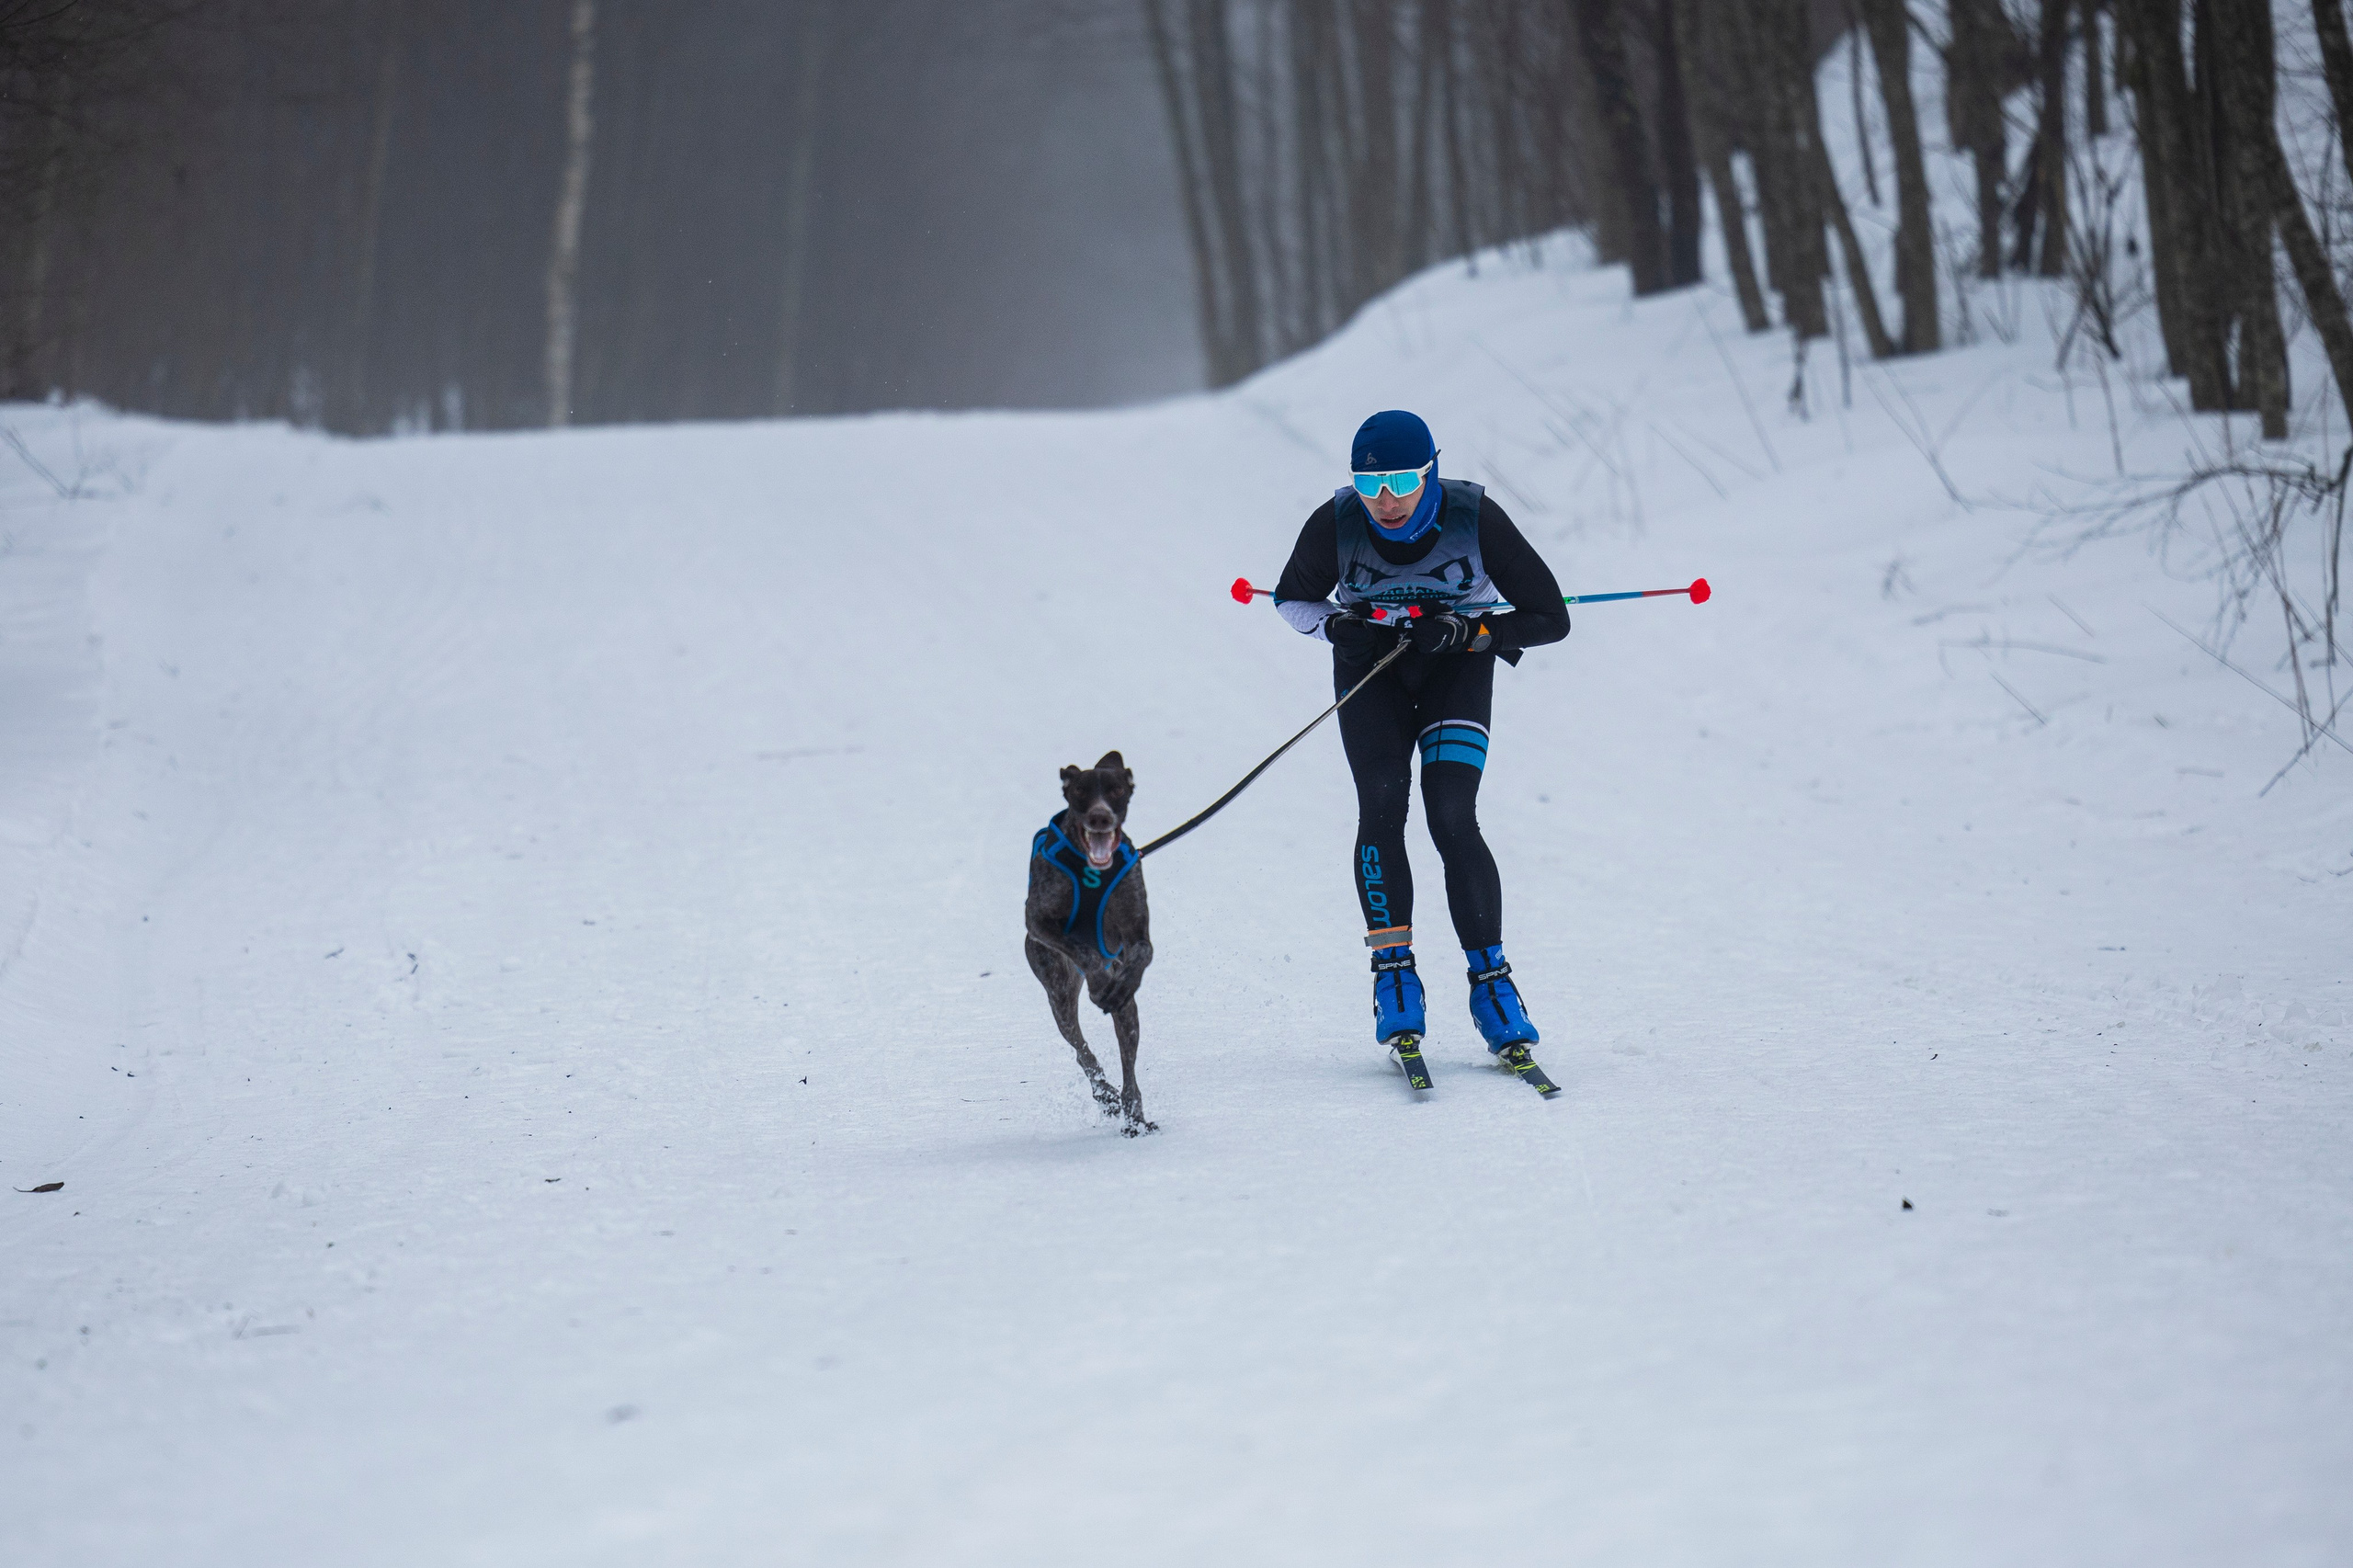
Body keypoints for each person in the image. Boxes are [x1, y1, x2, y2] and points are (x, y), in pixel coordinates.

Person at [1271, 409, 1569, 1068]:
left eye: (1403, 480)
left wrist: (1471, 633)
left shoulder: (1475, 517)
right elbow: (1292, 600)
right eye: (1370, 483)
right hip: (1369, 668)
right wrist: (1336, 629)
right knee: (1381, 803)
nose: (1386, 500)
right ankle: (1393, 972)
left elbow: (1551, 619)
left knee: (1451, 813)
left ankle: (1492, 983)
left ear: (1431, 469)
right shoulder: (1338, 520)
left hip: (1454, 669)